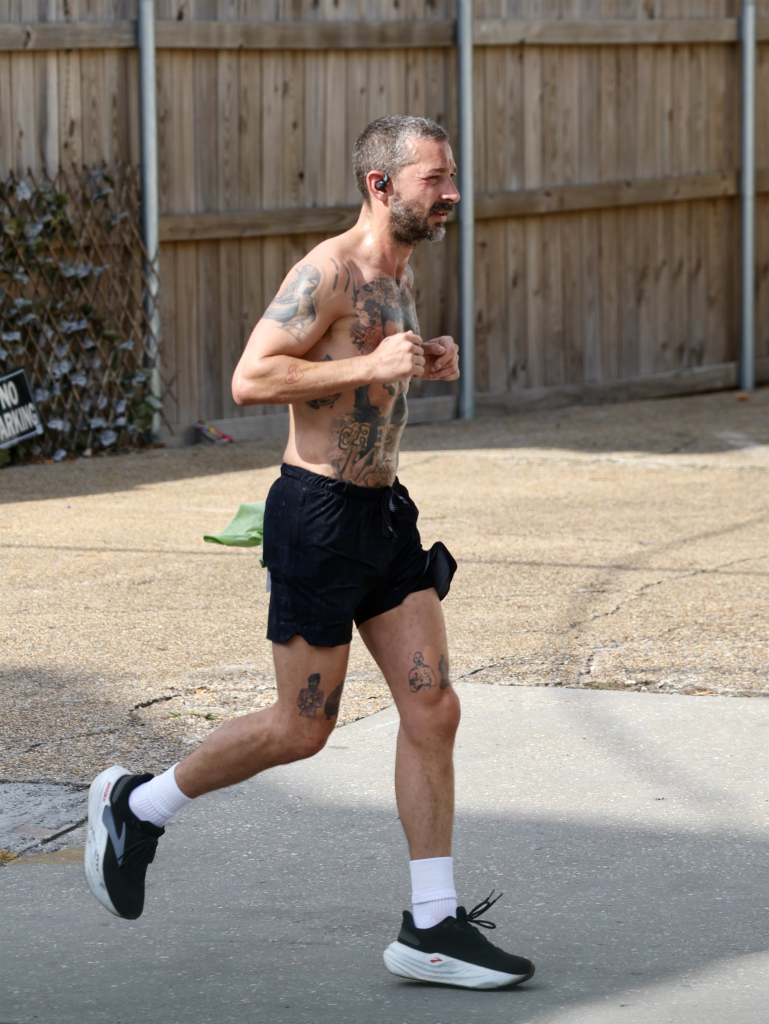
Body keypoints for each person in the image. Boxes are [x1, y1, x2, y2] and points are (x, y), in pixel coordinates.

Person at [84, 115, 534, 991]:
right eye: (434, 179)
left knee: (433, 709)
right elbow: (251, 378)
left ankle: (431, 927)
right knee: (302, 730)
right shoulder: (329, 269)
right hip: (317, 519)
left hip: (383, 520)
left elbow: (365, 370)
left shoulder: (400, 276)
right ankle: (137, 805)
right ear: (381, 185)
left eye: (449, 177)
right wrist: (369, 368)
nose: (449, 194)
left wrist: (418, 360)